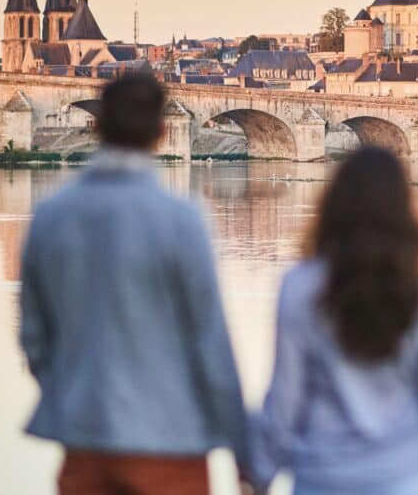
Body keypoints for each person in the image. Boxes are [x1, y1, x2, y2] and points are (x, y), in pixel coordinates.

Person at [19, 74, 252, 494]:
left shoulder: (50, 216)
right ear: (162, 131)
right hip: (170, 441)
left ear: (96, 126)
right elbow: (211, 345)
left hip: (85, 439)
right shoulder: (182, 220)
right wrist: (244, 448)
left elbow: (35, 340)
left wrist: (73, 395)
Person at [250, 147, 418, 495]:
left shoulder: (300, 288)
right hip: (408, 480)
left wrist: (261, 475)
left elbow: (285, 402)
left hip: (323, 480)